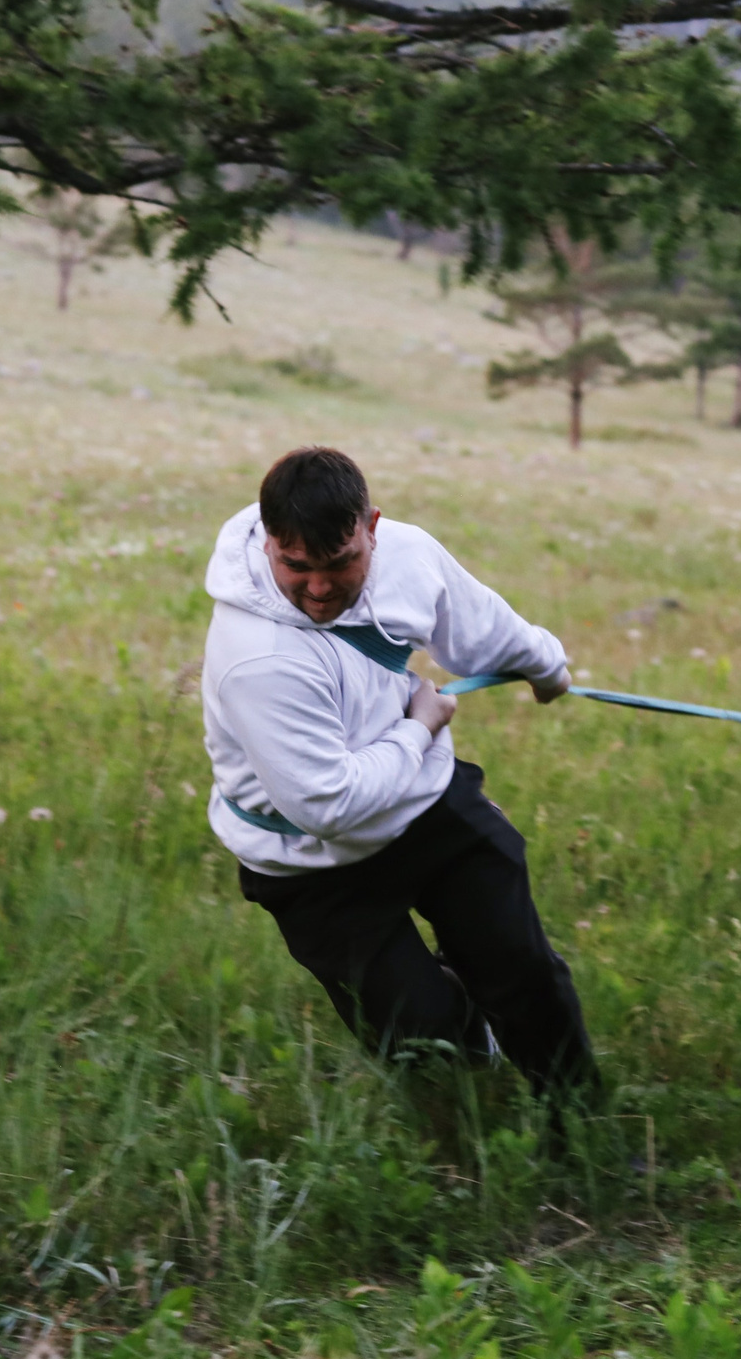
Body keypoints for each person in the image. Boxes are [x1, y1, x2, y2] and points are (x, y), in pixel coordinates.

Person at [202, 446, 601, 1117]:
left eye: (340, 564)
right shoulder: (257, 657)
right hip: (310, 860)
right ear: (269, 542)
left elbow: (477, 622)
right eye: (296, 566)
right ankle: (465, 1025)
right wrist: (419, 728)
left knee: (524, 969)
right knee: (422, 1037)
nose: (320, 588)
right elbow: (331, 803)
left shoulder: (408, 554)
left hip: (423, 808)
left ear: (372, 528)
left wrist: (545, 664)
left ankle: (583, 1128)